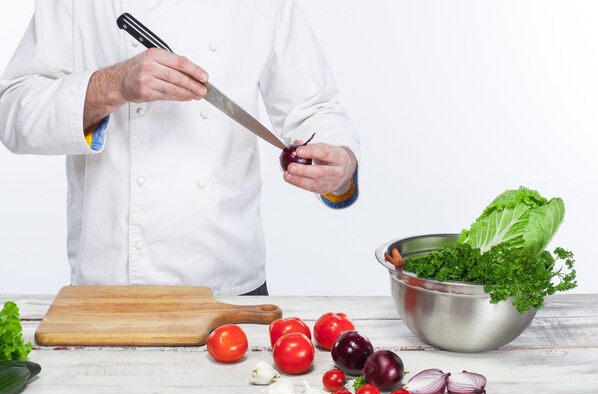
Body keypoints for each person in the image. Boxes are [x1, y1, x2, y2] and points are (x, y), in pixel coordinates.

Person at [0, 0, 360, 296]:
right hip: (108, 289)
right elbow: (14, 111)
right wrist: (112, 85)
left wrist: (337, 161)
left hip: (229, 287)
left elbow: (315, 109)